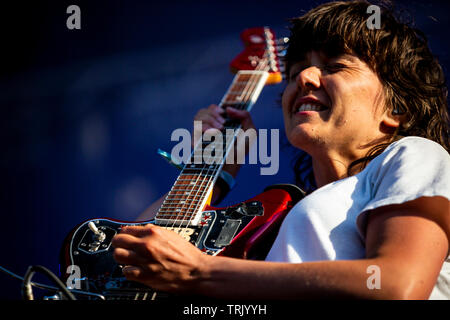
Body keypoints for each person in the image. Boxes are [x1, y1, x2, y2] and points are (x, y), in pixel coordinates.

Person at [111, 1, 450, 299]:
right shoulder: (282, 218)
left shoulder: (414, 154)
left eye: (334, 66)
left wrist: (200, 272)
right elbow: (131, 259)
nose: (305, 78)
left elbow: (396, 286)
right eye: (296, 70)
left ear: (396, 109)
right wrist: (217, 167)